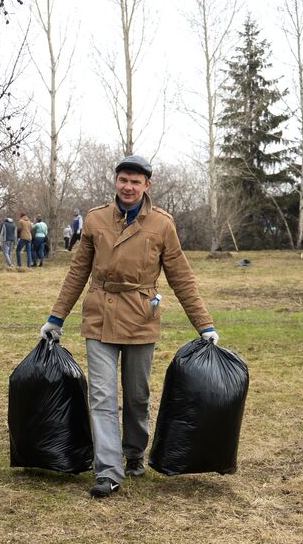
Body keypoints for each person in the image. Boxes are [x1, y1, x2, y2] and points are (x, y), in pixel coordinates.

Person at [38, 154, 218, 499]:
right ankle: (108, 470)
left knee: (137, 396)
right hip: (100, 314)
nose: (129, 186)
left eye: (136, 181)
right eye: (124, 179)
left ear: (147, 186)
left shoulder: (162, 224)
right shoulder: (95, 220)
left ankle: (134, 451)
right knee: (102, 396)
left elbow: (181, 276)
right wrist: (55, 318)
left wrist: (204, 325)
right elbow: (77, 272)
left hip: (140, 316)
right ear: (116, 182)